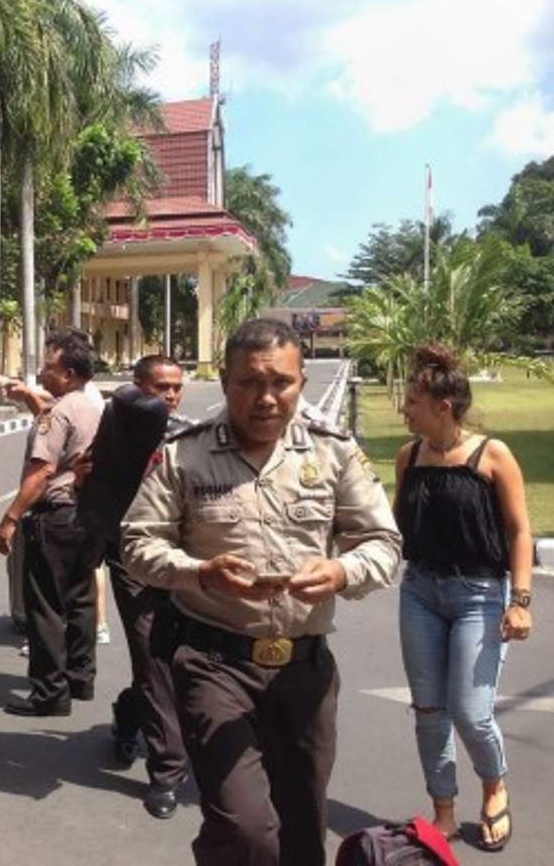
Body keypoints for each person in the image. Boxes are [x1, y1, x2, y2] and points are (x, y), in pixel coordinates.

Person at [121, 318, 402, 866]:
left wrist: (341, 572)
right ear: (226, 382)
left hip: (305, 670)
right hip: (215, 664)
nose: (266, 397)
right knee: (245, 827)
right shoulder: (184, 454)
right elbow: (137, 543)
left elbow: (383, 542)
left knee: (303, 831)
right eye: (249, 382)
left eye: (281, 382)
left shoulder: (333, 452)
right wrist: (199, 571)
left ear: (301, 382)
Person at [393, 344, 533, 852]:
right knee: (429, 711)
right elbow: (396, 527)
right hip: (419, 592)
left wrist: (520, 600)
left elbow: (519, 531)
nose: (405, 410)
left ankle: (494, 787)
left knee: (471, 713)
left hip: (479, 594)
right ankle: (444, 811)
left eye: (412, 402)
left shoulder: (492, 455)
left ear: (443, 407)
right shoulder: (409, 456)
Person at [0, 329, 104, 716]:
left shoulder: (58, 413)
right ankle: (80, 678)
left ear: (70, 374)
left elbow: (42, 473)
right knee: (81, 600)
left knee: (45, 607)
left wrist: (10, 518)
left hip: (55, 516)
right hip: (86, 515)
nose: (42, 373)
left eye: (49, 367)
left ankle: (49, 693)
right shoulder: (93, 406)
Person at [106, 354, 192, 819]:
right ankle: (167, 771)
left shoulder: (189, 437)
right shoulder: (117, 432)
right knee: (152, 656)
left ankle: (129, 712)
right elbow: (91, 483)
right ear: (139, 387)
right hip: (132, 562)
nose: (171, 395)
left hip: (185, 562)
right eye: (161, 387)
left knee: (181, 659)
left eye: (176, 387)